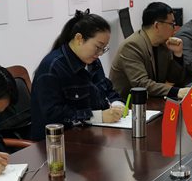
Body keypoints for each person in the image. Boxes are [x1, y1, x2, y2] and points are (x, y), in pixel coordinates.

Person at [30, 10, 125, 140]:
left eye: (104, 49)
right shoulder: (52, 68)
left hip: (91, 135)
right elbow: (53, 115)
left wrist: (117, 104)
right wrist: (98, 116)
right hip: (58, 141)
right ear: (79, 39)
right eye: (98, 47)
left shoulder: (92, 61)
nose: (100, 53)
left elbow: (106, 88)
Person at [109, 2, 188, 99]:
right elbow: (142, 84)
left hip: (153, 100)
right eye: (172, 24)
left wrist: (177, 54)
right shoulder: (132, 46)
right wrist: (176, 92)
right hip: (128, 104)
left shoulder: (163, 44)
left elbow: (174, 79)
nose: (174, 28)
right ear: (157, 25)